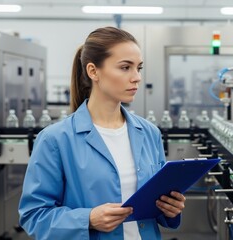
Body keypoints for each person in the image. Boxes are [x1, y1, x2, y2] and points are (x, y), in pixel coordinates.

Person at [18, 26, 185, 240]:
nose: (136, 78)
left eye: (139, 68)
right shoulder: (56, 139)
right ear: (93, 71)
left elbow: (157, 204)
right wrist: (88, 219)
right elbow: (34, 215)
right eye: (125, 67)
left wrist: (170, 208)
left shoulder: (149, 132)